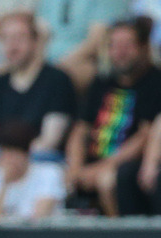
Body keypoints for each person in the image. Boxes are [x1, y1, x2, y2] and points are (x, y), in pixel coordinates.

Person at [65, 18, 161, 216]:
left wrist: (101, 168)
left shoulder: (154, 82)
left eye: (127, 45)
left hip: (126, 164)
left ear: (143, 48)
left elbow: (144, 136)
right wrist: (75, 168)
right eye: (114, 46)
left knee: (108, 180)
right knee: (53, 178)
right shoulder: (101, 82)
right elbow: (80, 129)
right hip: (92, 162)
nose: (120, 52)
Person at [0, 12, 77, 172]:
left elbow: (49, 140)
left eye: (19, 38)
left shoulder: (57, 80)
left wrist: (10, 161)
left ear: (36, 42)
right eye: (5, 39)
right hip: (1, 157)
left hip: (39, 162)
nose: (12, 45)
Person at [0, 119, 66, 218]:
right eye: (6, 153)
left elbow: (41, 215)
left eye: (15, 154)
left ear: (27, 154)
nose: (10, 160)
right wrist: (4, 184)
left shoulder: (50, 173)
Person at [36, 0, 130, 91]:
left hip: (86, 60)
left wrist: (58, 68)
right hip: (50, 61)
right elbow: (42, 31)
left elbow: (95, 41)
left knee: (80, 72)